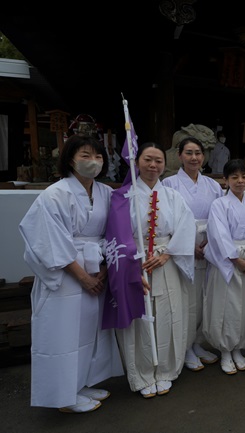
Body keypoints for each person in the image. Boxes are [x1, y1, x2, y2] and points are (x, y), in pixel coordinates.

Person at [19, 134, 123, 413]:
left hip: (95, 265)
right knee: (63, 332)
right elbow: (49, 239)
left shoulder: (105, 192)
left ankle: (82, 382)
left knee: (89, 331)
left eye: (98, 156)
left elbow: (114, 232)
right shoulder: (54, 194)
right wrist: (82, 276)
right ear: (70, 160)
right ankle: (62, 395)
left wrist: (102, 268)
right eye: (85, 156)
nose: (93, 162)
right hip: (66, 272)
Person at [113, 142, 196, 398]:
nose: (153, 165)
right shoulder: (123, 196)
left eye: (158, 161)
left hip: (166, 261)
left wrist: (168, 253)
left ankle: (167, 369)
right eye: (148, 159)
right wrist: (131, 261)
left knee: (170, 313)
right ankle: (142, 373)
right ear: (136, 162)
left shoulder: (173, 196)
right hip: (134, 263)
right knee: (140, 318)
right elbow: (116, 233)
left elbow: (186, 226)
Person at [161, 137, 223, 372]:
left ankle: (197, 342)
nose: (194, 158)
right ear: (179, 155)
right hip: (181, 245)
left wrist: (208, 242)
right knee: (186, 298)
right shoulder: (169, 184)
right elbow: (167, 220)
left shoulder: (213, 185)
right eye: (189, 153)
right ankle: (184, 347)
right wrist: (188, 245)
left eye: (198, 153)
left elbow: (219, 217)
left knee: (204, 297)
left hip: (208, 244)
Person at [203, 159, 245, 375]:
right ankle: (225, 350)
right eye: (235, 177)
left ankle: (239, 347)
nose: (240, 181)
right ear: (225, 180)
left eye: (244, 176)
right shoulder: (219, 205)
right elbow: (219, 235)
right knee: (227, 306)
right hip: (228, 261)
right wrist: (236, 259)